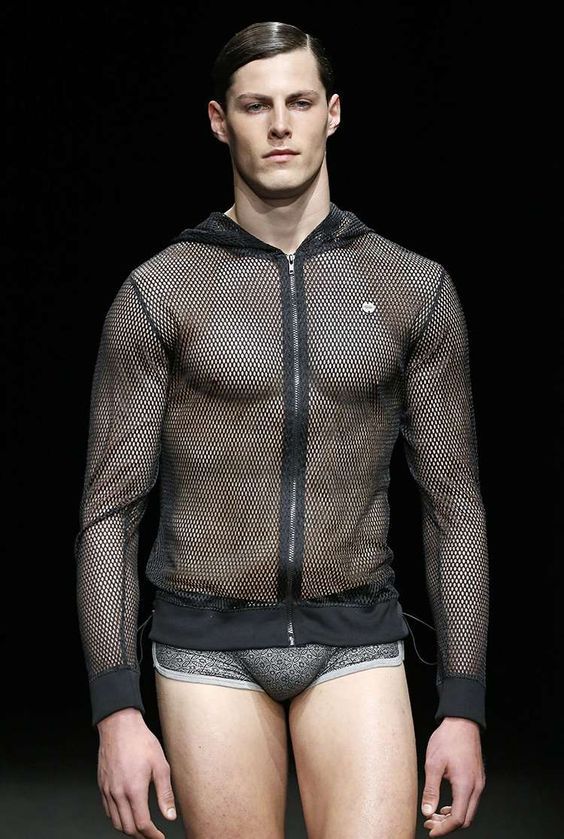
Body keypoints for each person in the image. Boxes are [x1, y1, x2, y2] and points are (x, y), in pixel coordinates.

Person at [75, 20, 489, 839]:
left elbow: (456, 506)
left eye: (299, 102)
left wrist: (464, 706)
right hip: (206, 643)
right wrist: (116, 708)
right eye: (255, 105)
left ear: (332, 113)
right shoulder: (163, 290)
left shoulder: (409, 287)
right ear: (219, 120)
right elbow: (108, 511)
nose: (279, 126)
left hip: (357, 635)